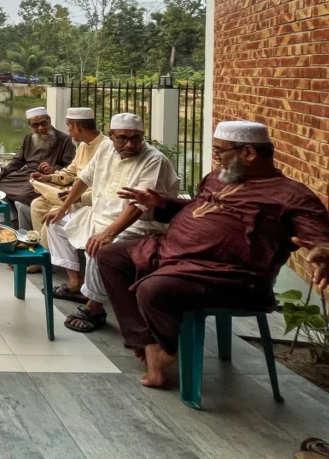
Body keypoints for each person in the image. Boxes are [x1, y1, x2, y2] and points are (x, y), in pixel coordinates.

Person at [100, 120, 329, 389]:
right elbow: (196, 208)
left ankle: (166, 352)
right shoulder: (216, 178)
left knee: (155, 289)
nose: (216, 157)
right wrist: (160, 203)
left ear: (249, 153)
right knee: (110, 257)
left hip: (229, 277)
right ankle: (149, 344)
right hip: (172, 254)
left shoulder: (292, 195)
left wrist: (322, 253)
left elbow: (319, 236)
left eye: (220, 151)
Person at [42, 112, 180, 334]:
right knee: (54, 223)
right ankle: (74, 283)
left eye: (136, 138)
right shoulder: (106, 148)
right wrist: (64, 207)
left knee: (101, 247)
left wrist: (108, 233)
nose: (130, 144)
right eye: (123, 138)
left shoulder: (154, 160)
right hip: (99, 215)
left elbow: (139, 206)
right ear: (111, 135)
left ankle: (95, 307)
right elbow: (84, 179)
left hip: (137, 226)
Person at [0, 107, 76, 229]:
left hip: (46, 179)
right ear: (30, 126)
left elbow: (70, 167)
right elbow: (17, 160)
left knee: (23, 195)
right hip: (26, 175)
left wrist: (53, 169)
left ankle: (20, 225)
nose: (41, 128)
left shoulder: (65, 140)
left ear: (49, 121)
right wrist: (1, 174)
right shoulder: (29, 138)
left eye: (44, 123)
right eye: (35, 125)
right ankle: (10, 221)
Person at [29, 107, 104, 246]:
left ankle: (41, 259)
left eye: (69, 126)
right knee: (37, 204)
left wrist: (75, 196)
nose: (68, 131)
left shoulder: (106, 148)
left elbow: (101, 186)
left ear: (76, 126)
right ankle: (41, 250)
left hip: (88, 198)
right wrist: (48, 178)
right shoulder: (82, 146)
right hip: (72, 192)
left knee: (52, 214)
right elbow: (70, 172)